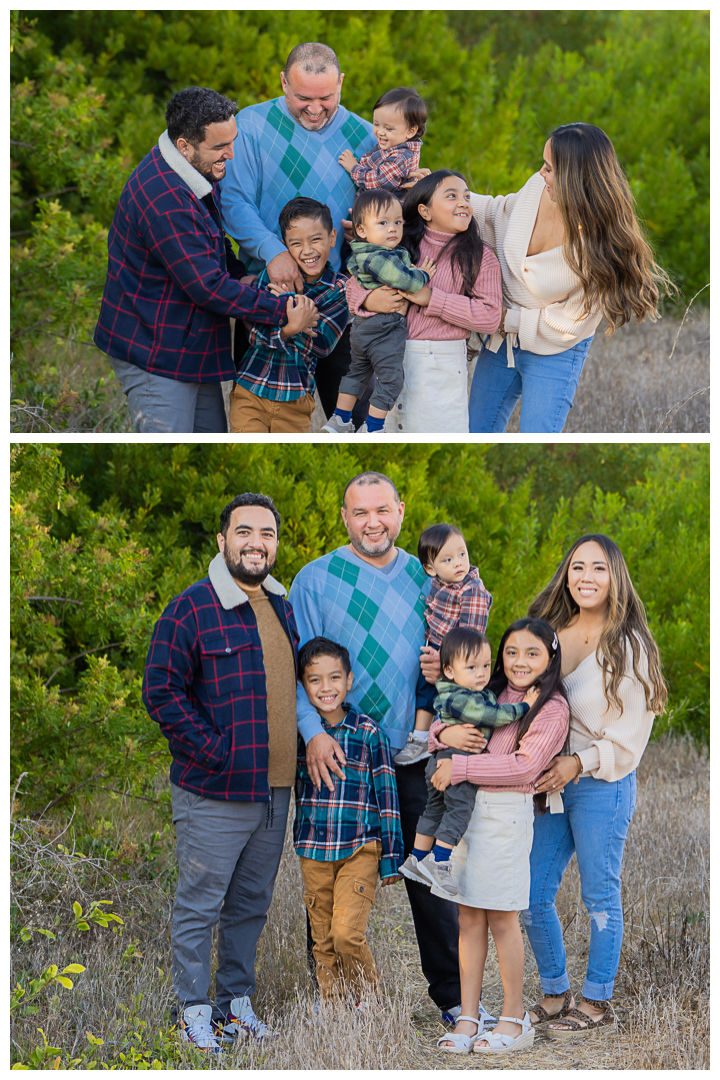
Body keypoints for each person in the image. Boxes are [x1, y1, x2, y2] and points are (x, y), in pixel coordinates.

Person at [288, 471, 496, 1031]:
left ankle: (455, 1000)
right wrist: (313, 733)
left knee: (429, 880)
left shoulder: (426, 576)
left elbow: (463, 656)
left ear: (401, 512)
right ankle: (334, 1007)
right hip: (340, 757)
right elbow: (296, 671)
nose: (372, 522)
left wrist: (445, 686)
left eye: (382, 510)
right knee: (328, 885)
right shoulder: (313, 580)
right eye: (360, 513)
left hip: (413, 753)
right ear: (344, 517)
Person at [142, 494, 299, 1052]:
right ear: (222, 540)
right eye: (244, 532)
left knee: (251, 903)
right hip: (214, 790)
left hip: (276, 791)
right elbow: (160, 690)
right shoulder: (192, 608)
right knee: (200, 905)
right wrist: (214, 750)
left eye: (267, 534)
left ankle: (234, 1006)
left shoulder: (281, 607)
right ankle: (192, 1011)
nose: (257, 543)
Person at [94, 87, 307, 434]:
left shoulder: (198, 170)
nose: (231, 154)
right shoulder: (165, 197)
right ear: (184, 146)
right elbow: (207, 286)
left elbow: (210, 241)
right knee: (171, 448)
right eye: (220, 147)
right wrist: (281, 310)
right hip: (154, 351)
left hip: (189, 344)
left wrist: (242, 277)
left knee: (213, 435)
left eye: (232, 141)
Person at [522, 534, 667, 1039]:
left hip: (602, 783)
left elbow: (631, 737)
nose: (586, 576)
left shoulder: (629, 646)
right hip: (548, 785)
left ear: (615, 577)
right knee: (531, 892)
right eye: (577, 566)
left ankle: (597, 998)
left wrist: (577, 763)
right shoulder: (551, 631)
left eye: (599, 568)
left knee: (600, 896)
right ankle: (556, 990)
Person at [467, 123, 677, 434]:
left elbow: (567, 323)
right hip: (503, 341)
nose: (541, 173)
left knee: (537, 438)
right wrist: (443, 192)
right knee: (474, 431)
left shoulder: (601, 248)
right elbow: (497, 211)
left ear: (575, 179)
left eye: (549, 168)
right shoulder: (536, 188)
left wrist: (504, 319)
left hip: (556, 350)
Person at [430, 619, 570, 1055]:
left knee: (503, 917)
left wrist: (461, 767)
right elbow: (445, 720)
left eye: (532, 653)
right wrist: (442, 735)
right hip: (467, 816)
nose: (519, 662)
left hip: (507, 817)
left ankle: (515, 1017)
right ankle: (470, 1015)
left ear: (550, 657)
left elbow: (524, 767)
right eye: (511, 652)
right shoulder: (489, 692)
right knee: (469, 917)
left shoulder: (550, 707)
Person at [219, 42, 377, 426]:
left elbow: (384, 210)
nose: (315, 108)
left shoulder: (367, 136)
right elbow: (234, 202)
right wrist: (274, 253)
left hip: (340, 302)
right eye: (303, 97)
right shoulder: (250, 128)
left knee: (357, 417)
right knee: (264, 416)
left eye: (326, 97)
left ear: (341, 83)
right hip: (267, 298)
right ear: (283, 83)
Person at [346, 170, 502, 433]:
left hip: (441, 368)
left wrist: (431, 298)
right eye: (451, 196)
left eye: (466, 196)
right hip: (389, 355)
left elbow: (489, 316)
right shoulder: (398, 245)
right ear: (425, 211)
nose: (464, 202)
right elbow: (352, 285)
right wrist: (372, 300)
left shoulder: (479, 255)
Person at [294, 637, 403, 1004]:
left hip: (360, 846)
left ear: (349, 680)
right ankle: (336, 1007)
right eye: (314, 680)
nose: (326, 688)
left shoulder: (368, 732)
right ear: (303, 685)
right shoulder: (301, 738)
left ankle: (369, 1002)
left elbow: (386, 797)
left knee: (346, 934)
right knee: (322, 940)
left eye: (334, 678)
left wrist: (391, 858)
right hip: (313, 847)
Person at [399, 626, 539, 896]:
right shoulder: (462, 697)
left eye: (486, 665)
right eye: (472, 667)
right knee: (459, 810)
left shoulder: (460, 692)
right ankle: (439, 862)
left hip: (438, 760)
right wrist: (526, 706)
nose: (481, 673)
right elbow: (492, 715)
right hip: (454, 762)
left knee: (435, 810)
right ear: (449, 671)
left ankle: (416, 859)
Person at [230, 198, 349, 433]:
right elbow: (254, 333)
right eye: (296, 243)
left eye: (316, 239)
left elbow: (323, 344)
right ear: (284, 244)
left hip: (296, 400)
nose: (308, 250)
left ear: (332, 237)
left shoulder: (339, 289)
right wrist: (293, 326)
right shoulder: (273, 274)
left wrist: (282, 308)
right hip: (251, 391)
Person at [321, 190, 436, 434]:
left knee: (358, 373)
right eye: (383, 223)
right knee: (391, 380)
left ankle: (340, 419)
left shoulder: (365, 253)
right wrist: (423, 275)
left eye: (397, 222)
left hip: (362, 329)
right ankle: (374, 428)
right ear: (362, 230)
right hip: (384, 327)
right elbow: (406, 281)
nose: (392, 228)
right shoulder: (377, 257)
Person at [395, 523, 493, 765]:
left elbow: (471, 635)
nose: (459, 562)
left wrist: (448, 663)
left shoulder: (472, 590)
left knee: (446, 696)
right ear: (431, 568)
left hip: (458, 656)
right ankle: (421, 737)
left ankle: (431, 741)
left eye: (462, 554)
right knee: (424, 688)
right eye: (448, 559)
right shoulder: (440, 583)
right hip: (436, 647)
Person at [338, 86, 427, 198]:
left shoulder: (401, 156)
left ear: (410, 131)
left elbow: (379, 182)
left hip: (383, 212)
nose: (380, 132)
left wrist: (353, 167)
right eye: (376, 124)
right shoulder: (394, 145)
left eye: (388, 128)